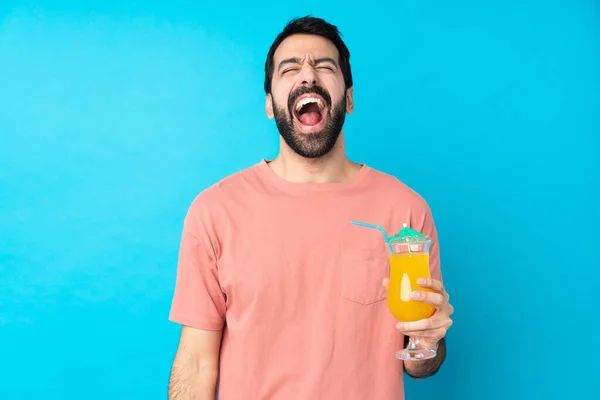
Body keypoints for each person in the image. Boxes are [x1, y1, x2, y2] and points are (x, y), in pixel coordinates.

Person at [167, 15, 454, 400]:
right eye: (290, 68)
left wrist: (430, 341)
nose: (308, 76)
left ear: (348, 98)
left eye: (324, 66)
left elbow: (418, 363)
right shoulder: (215, 211)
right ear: (270, 103)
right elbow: (197, 361)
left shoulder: (405, 212)